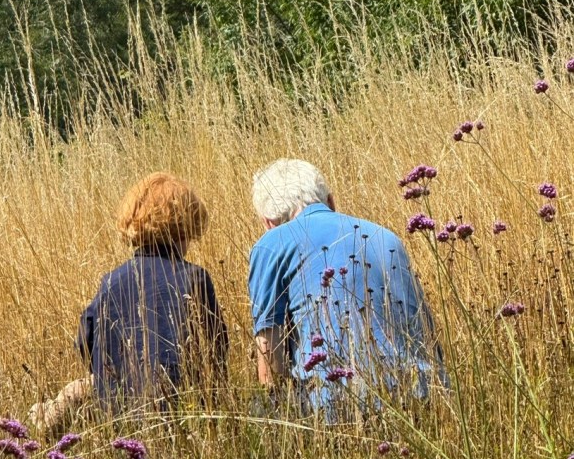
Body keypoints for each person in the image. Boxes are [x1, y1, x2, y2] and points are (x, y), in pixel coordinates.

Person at [248, 159, 444, 418]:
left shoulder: (271, 244)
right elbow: (428, 334)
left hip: (336, 406)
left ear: (268, 222)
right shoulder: (385, 236)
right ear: (330, 201)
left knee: (259, 408)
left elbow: (269, 357)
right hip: (420, 393)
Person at [32, 173, 227, 427]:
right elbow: (216, 351)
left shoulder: (111, 282)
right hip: (182, 418)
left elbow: (84, 342)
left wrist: (113, 376)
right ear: (186, 228)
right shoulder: (194, 279)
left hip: (118, 419)